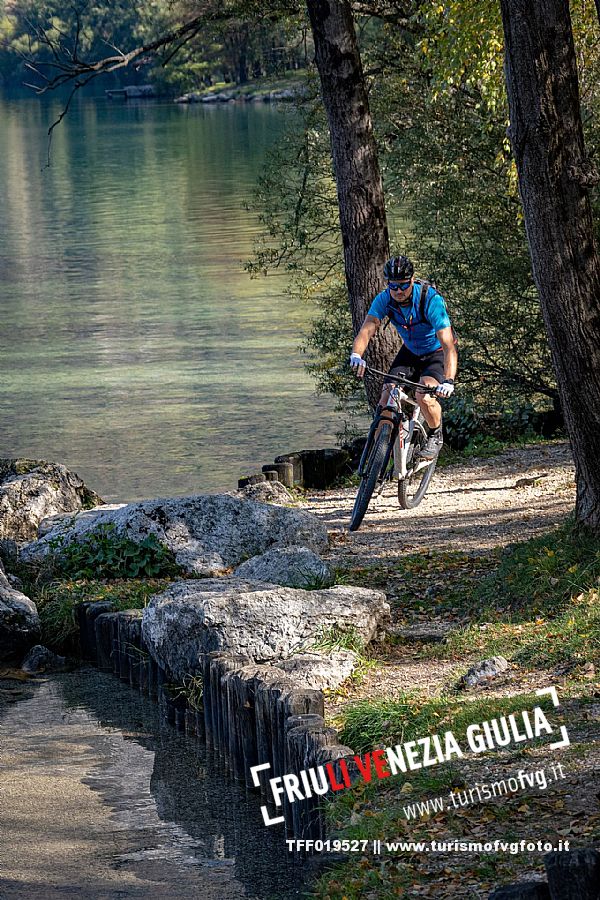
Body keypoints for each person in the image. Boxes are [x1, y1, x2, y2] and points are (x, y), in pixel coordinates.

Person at [350, 255, 458, 460]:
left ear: (412, 280)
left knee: (423, 396)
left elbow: (448, 345)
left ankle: (436, 435)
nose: (398, 291)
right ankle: (380, 456)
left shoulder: (430, 299)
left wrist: (449, 380)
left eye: (403, 285)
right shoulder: (385, 299)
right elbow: (367, 329)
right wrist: (357, 354)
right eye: (393, 286)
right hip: (410, 352)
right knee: (387, 398)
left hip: (435, 353)